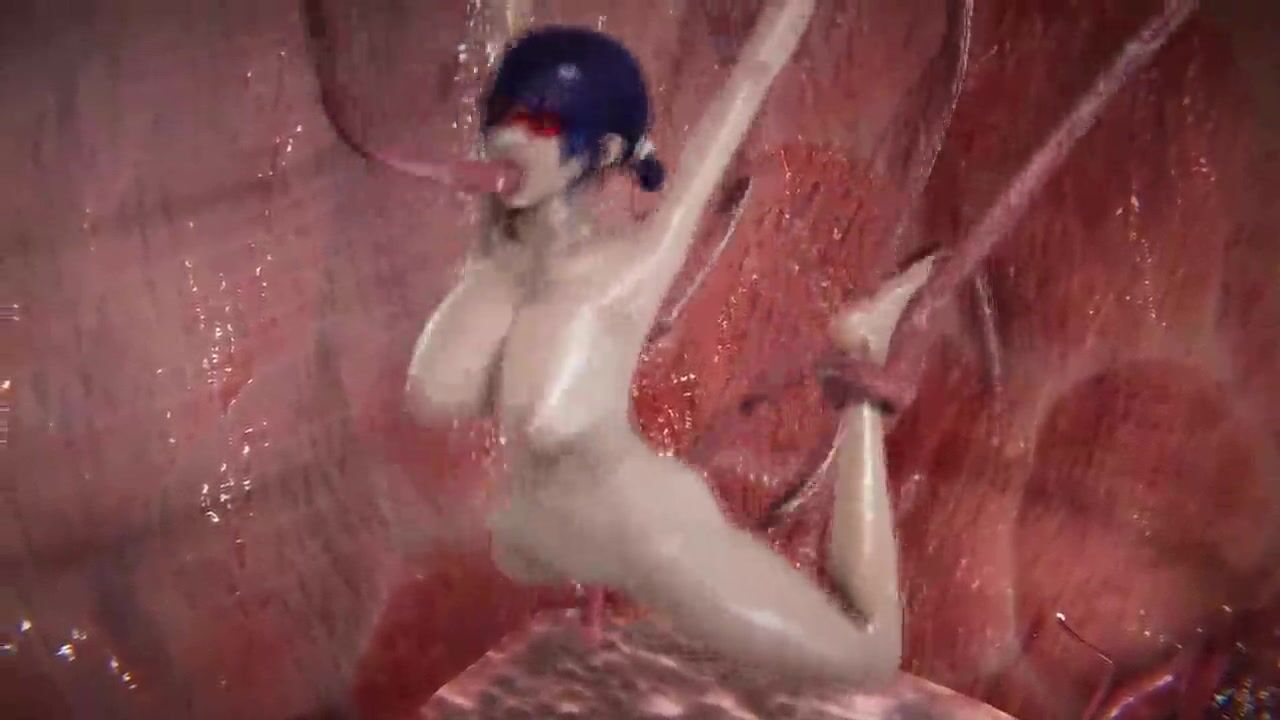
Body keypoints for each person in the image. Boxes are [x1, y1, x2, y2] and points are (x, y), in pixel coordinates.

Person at [405, 0, 916, 686]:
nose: (510, 139)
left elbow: (750, 81)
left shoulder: (630, 267)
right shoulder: (498, 253)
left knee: (868, 657)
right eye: (505, 117)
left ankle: (862, 366)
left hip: (645, 531)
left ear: (603, 153)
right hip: (546, 530)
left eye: (543, 124)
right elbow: (510, 44)